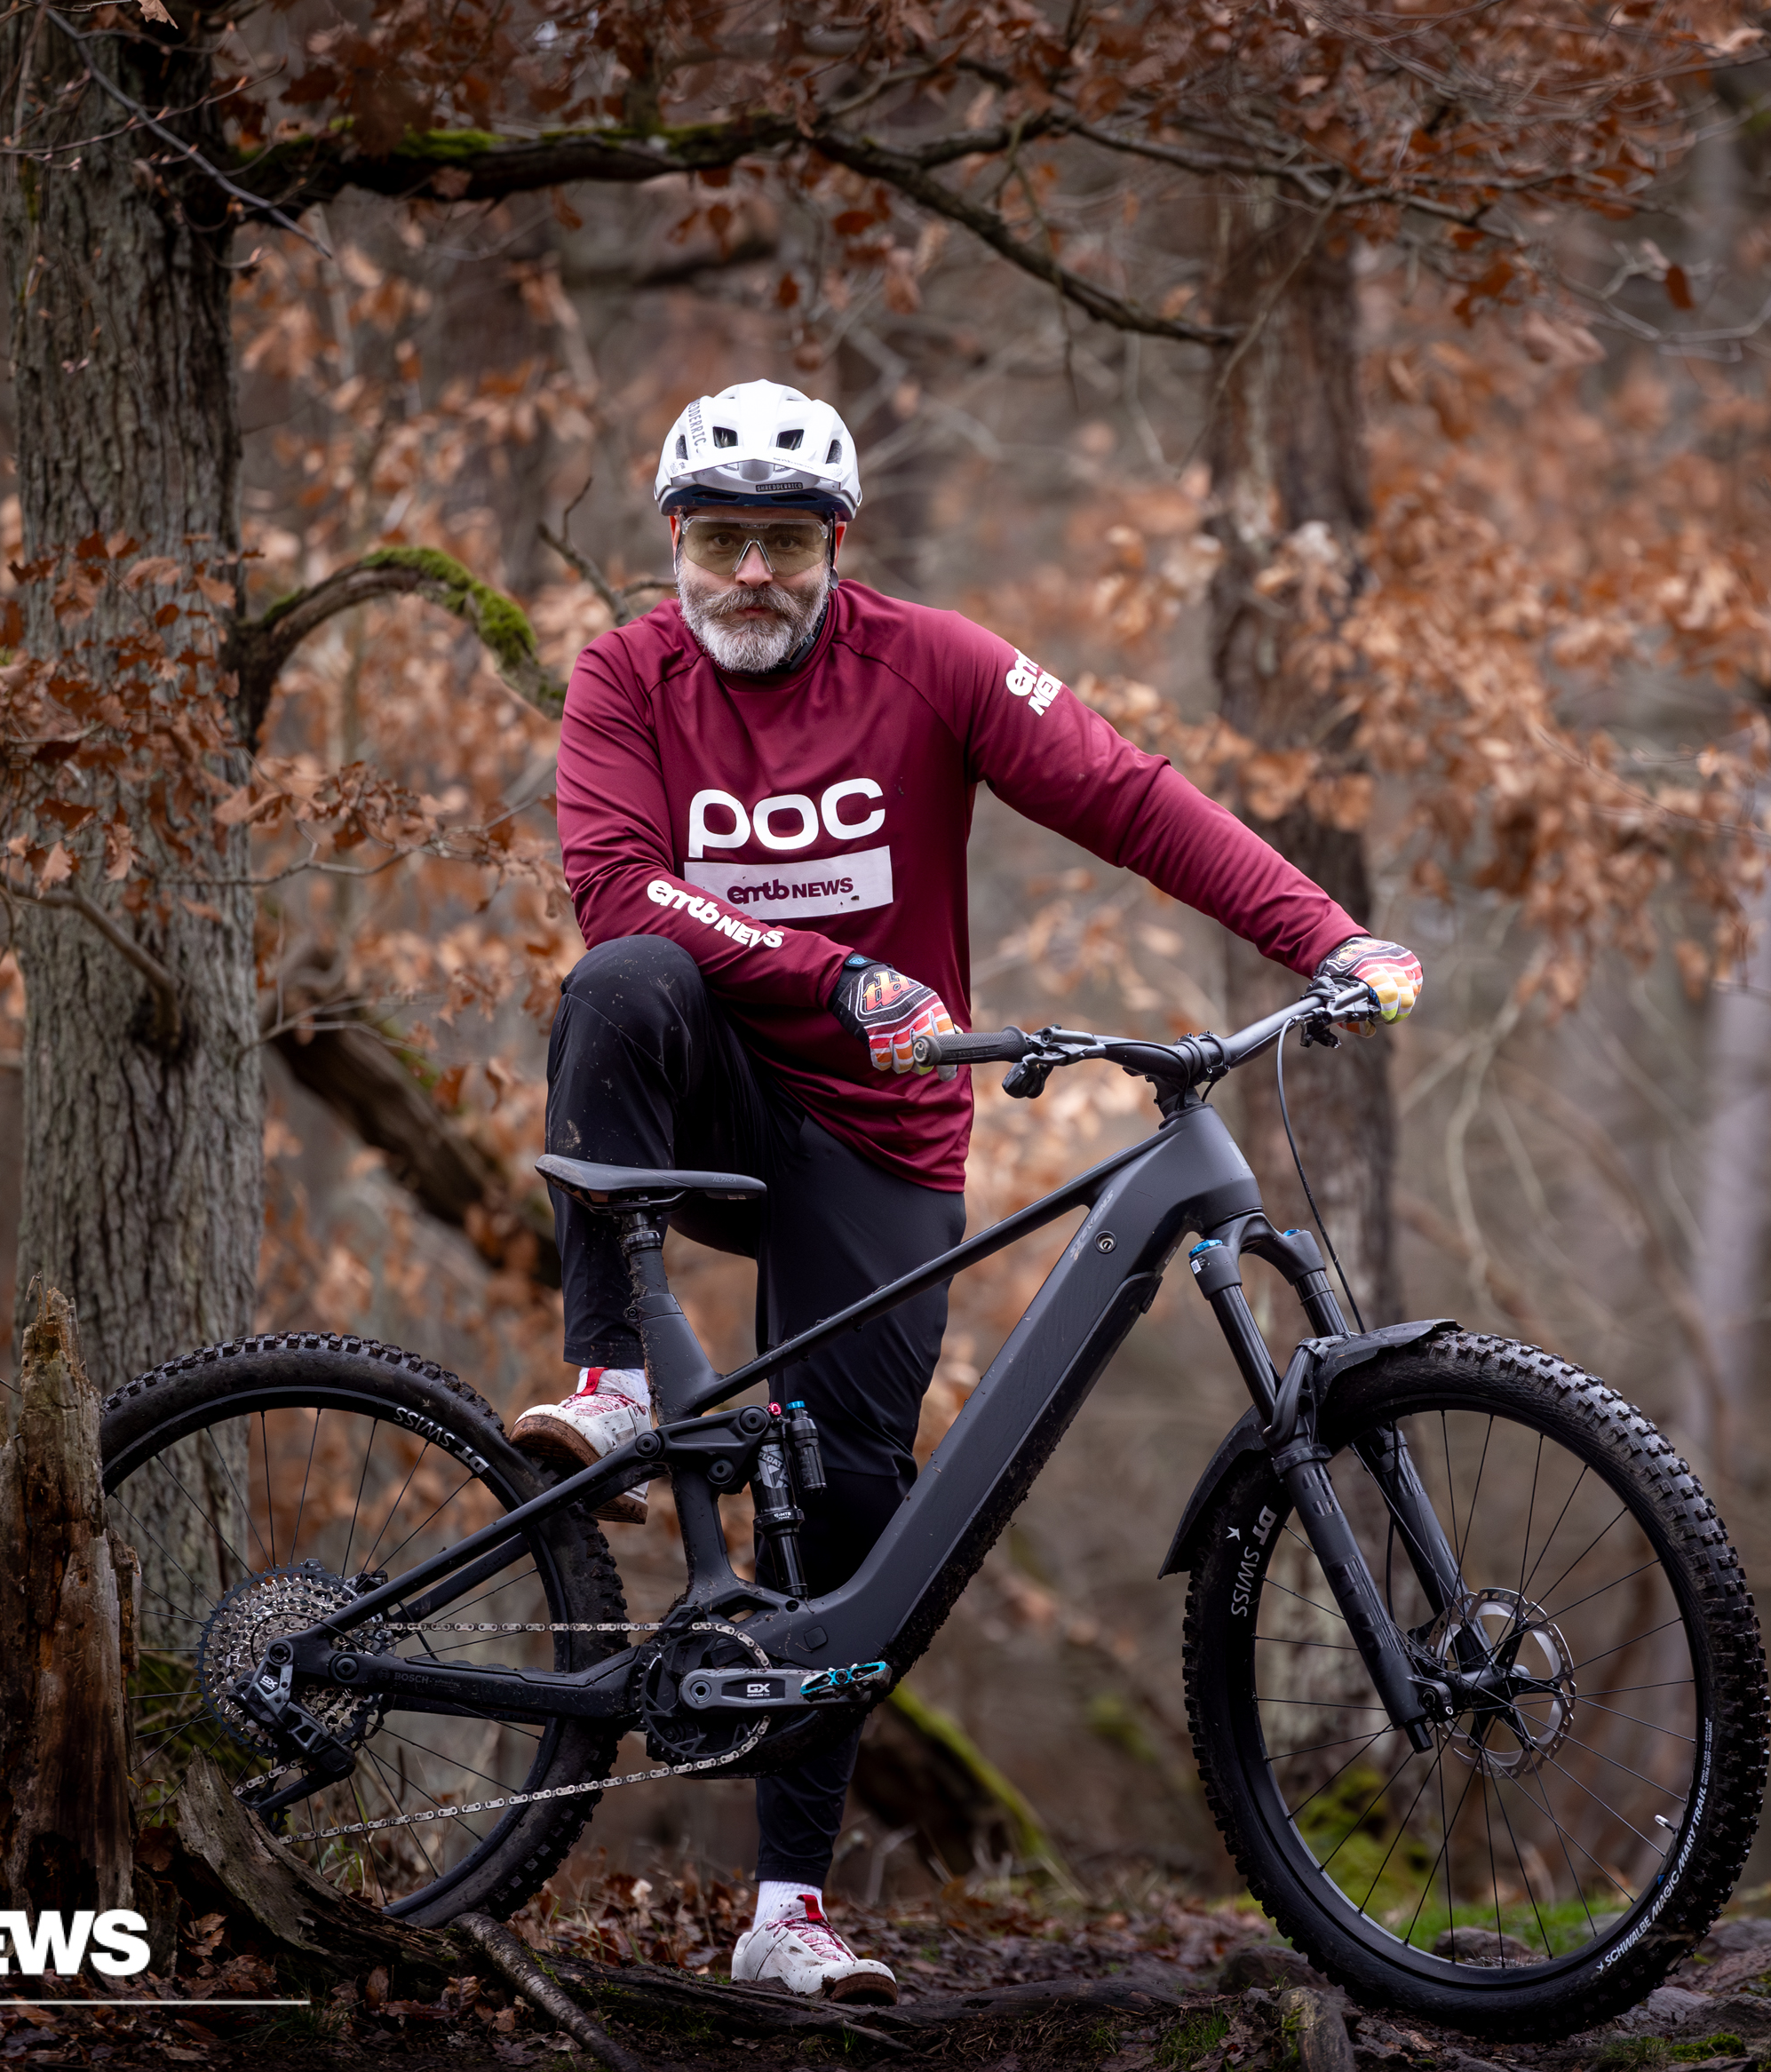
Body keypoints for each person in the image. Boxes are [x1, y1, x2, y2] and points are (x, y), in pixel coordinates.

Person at [508, 378, 1424, 2003]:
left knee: (854, 1506)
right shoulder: (624, 675)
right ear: (676, 543)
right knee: (622, 980)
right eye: (719, 541)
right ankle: (614, 1383)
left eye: (786, 542)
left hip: (879, 1137)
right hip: (704, 1102)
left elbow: (1130, 795)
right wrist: (830, 972)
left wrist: (1328, 935)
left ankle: (787, 1910)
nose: (751, 574)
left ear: (835, 547)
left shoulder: (929, 662)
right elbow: (615, 885)